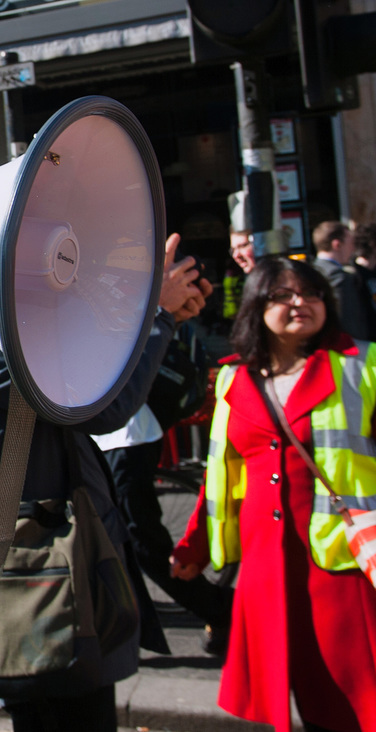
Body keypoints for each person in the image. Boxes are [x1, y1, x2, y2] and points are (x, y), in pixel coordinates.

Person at [0, 235, 210, 732]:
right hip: (44, 574)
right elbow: (103, 404)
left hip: (49, 567)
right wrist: (154, 313)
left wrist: (158, 315)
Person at [170, 256, 376, 732]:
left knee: (352, 699)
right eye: (283, 295)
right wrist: (196, 546)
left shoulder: (360, 365)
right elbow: (221, 474)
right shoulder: (232, 378)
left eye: (311, 293)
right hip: (266, 565)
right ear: (256, 307)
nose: (300, 303)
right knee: (289, 692)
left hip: (342, 562)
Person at [92, 235, 234, 657]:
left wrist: (161, 308)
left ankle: (224, 610)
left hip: (126, 433)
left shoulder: (115, 292)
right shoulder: (108, 289)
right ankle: (129, 631)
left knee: (142, 541)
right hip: (119, 432)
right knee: (121, 537)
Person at [311, 220, 376, 341]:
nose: (353, 249)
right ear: (337, 245)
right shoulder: (338, 276)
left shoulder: (312, 271)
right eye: (350, 243)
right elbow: (350, 320)